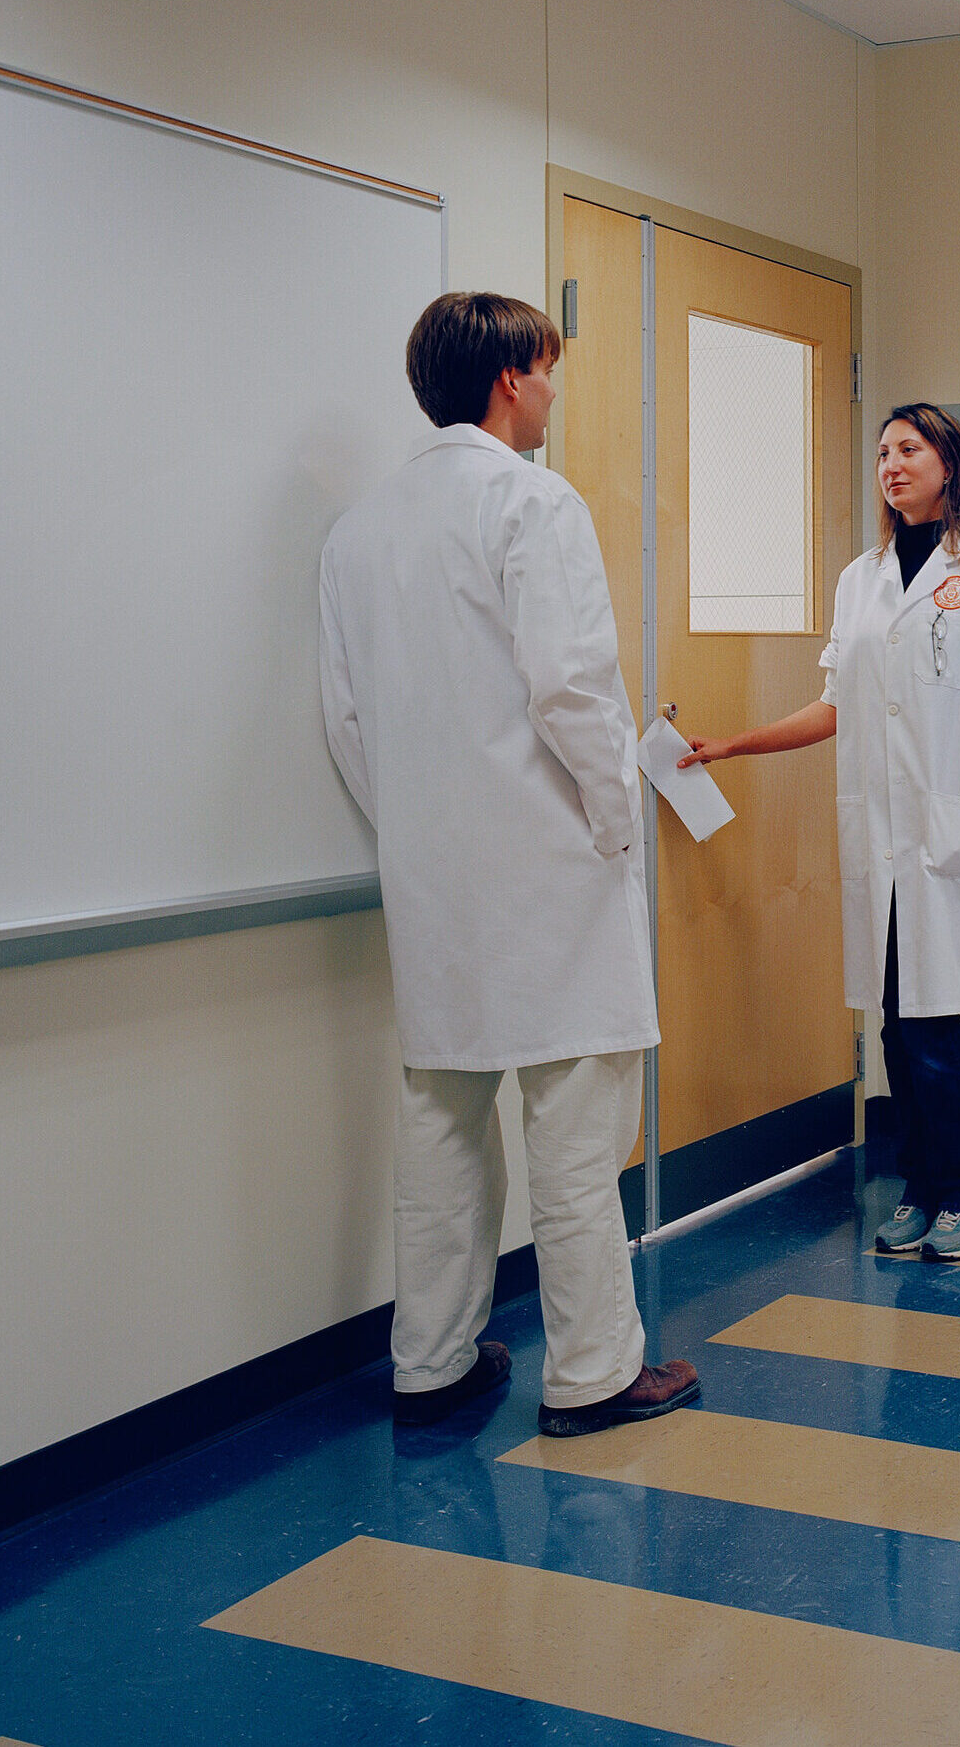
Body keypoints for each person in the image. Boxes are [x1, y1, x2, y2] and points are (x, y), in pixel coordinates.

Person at [318, 291, 698, 1435]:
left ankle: (429, 1359)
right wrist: (616, 819)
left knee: (440, 1114)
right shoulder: (533, 502)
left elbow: (345, 721)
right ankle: (591, 1371)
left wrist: (420, 830)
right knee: (575, 1129)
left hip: (432, 877)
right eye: (548, 368)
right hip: (550, 861)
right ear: (508, 380)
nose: (552, 389)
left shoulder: (358, 530)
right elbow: (571, 686)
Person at [680, 403, 960, 1261]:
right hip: (886, 838)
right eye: (882, 453)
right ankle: (923, 1189)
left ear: (949, 460)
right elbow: (836, 706)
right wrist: (734, 744)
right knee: (895, 1021)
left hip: (950, 828)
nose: (891, 464)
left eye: (909, 449)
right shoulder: (863, 577)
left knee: (933, 1024)